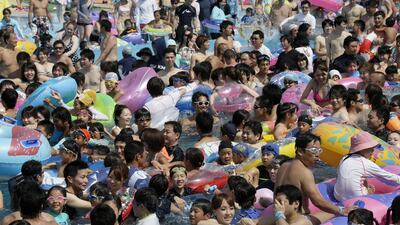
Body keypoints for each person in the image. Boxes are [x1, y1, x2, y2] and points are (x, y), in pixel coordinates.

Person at [259, 133, 354, 225]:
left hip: (278, 216)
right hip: (295, 219)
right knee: (333, 213)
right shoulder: (304, 172)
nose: (317, 155)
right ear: (300, 151)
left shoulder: (283, 166)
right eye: (314, 150)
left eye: (319, 151)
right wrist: (342, 210)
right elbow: (317, 201)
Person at [334, 131, 400, 202]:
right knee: (368, 187)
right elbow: (388, 176)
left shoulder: (345, 158)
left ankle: (366, 190)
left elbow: (338, 176)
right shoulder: (365, 163)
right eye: (370, 148)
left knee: (362, 177)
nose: (373, 151)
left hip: (337, 196)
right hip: (355, 199)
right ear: (362, 149)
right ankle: (367, 193)